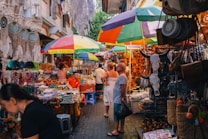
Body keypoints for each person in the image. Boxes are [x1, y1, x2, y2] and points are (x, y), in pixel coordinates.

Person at [107, 62, 128, 136]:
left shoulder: (122, 76)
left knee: (116, 113)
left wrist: (122, 97)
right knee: (121, 113)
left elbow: (123, 87)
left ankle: (115, 130)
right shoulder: (122, 76)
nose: (117, 67)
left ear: (121, 68)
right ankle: (121, 128)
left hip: (118, 98)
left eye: (118, 66)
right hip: (119, 98)